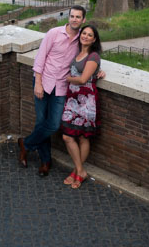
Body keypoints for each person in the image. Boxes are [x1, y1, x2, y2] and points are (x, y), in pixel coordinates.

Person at [17, 6, 86, 177]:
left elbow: (88, 58)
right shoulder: (53, 33)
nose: (75, 19)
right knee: (41, 122)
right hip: (43, 81)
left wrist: (98, 69)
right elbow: (40, 58)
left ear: (83, 20)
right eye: (72, 16)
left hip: (61, 87)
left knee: (54, 124)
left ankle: (26, 144)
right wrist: (38, 83)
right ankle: (46, 161)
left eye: (78, 17)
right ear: (68, 17)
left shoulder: (81, 40)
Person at [60, 24, 101, 189]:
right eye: (84, 33)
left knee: (83, 137)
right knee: (67, 136)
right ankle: (80, 170)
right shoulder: (77, 53)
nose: (85, 36)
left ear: (94, 39)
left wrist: (68, 79)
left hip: (86, 100)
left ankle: (76, 172)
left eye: (89, 35)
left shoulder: (93, 56)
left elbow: (84, 79)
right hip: (72, 99)